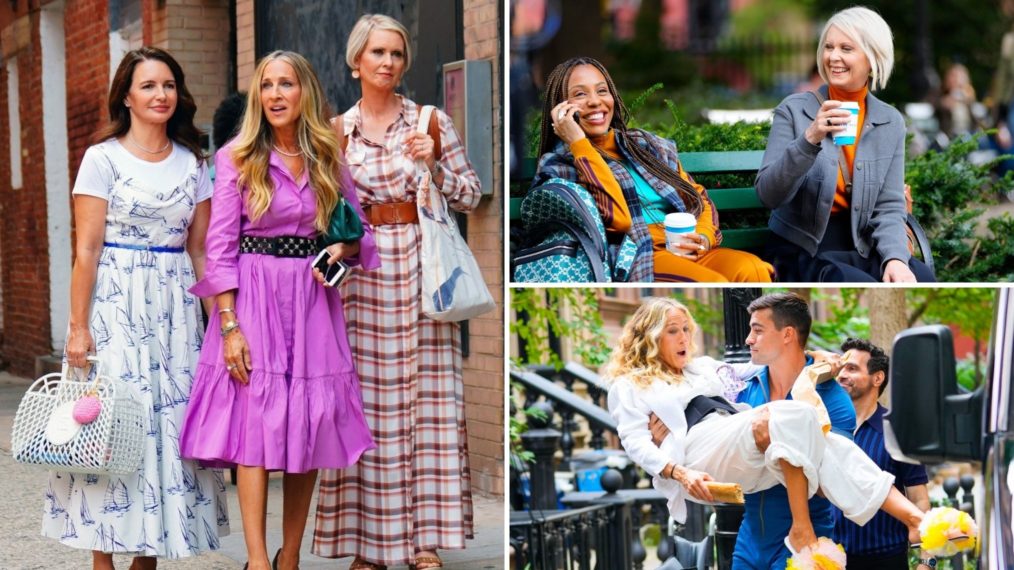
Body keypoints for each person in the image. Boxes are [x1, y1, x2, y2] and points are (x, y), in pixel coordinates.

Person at [178, 50, 378, 570]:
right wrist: (228, 326)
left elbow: (360, 233)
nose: (274, 95)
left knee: (307, 429)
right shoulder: (236, 156)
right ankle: (259, 561)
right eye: (266, 86)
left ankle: (289, 558)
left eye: (285, 84)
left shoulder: (327, 154)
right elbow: (219, 250)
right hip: (254, 295)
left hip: (313, 301)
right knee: (255, 431)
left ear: (304, 92)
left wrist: (341, 249)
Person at [41, 46, 229, 569]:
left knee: (165, 434)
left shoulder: (194, 163)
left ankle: (146, 558)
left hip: (173, 317)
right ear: (126, 94)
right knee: (109, 430)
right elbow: (86, 249)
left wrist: (221, 325)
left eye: (168, 85)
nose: (160, 95)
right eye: (148, 85)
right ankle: (103, 559)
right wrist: (78, 329)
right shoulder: (102, 158)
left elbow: (199, 251)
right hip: (115, 307)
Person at [312, 14, 481, 570]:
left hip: (424, 271)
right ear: (355, 60)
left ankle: (422, 540)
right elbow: (326, 213)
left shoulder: (431, 121)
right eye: (377, 53)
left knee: (428, 408)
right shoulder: (337, 131)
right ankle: (369, 545)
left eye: (397, 54)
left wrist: (434, 165)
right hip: (362, 279)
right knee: (367, 409)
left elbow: (471, 195)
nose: (388, 63)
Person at [607, 297, 948, 561]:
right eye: (673, 331)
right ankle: (802, 530)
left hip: (739, 445)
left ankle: (917, 521)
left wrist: (819, 357)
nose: (684, 338)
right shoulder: (630, 384)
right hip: (700, 449)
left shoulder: (702, 369)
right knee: (786, 415)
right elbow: (634, 441)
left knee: (828, 443)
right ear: (649, 336)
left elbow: (769, 357)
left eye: (686, 330)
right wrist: (679, 472)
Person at [531, 56, 773, 283]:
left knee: (753, 269)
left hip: (687, 246)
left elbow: (697, 197)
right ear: (560, 109)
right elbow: (619, 219)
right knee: (713, 283)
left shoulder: (646, 145)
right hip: (639, 255)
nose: (595, 101)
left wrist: (702, 237)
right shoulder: (561, 166)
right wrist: (579, 144)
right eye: (580, 94)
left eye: (602, 90)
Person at [756, 7, 935, 282]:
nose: (833, 56)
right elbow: (769, 194)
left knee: (920, 278)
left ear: (873, 58)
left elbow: (889, 206)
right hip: (801, 250)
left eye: (846, 48)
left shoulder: (889, 121)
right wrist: (811, 137)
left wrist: (895, 258)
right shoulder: (793, 111)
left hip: (862, 247)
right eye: (828, 47)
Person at [831, 338, 933, 570]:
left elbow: (919, 498)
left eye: (852, 368)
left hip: (885, 561)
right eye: (842, 367)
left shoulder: (898, 429)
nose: (842, 375)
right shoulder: (824, 426)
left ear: (878, 378)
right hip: (829, 560)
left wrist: (927, 562)